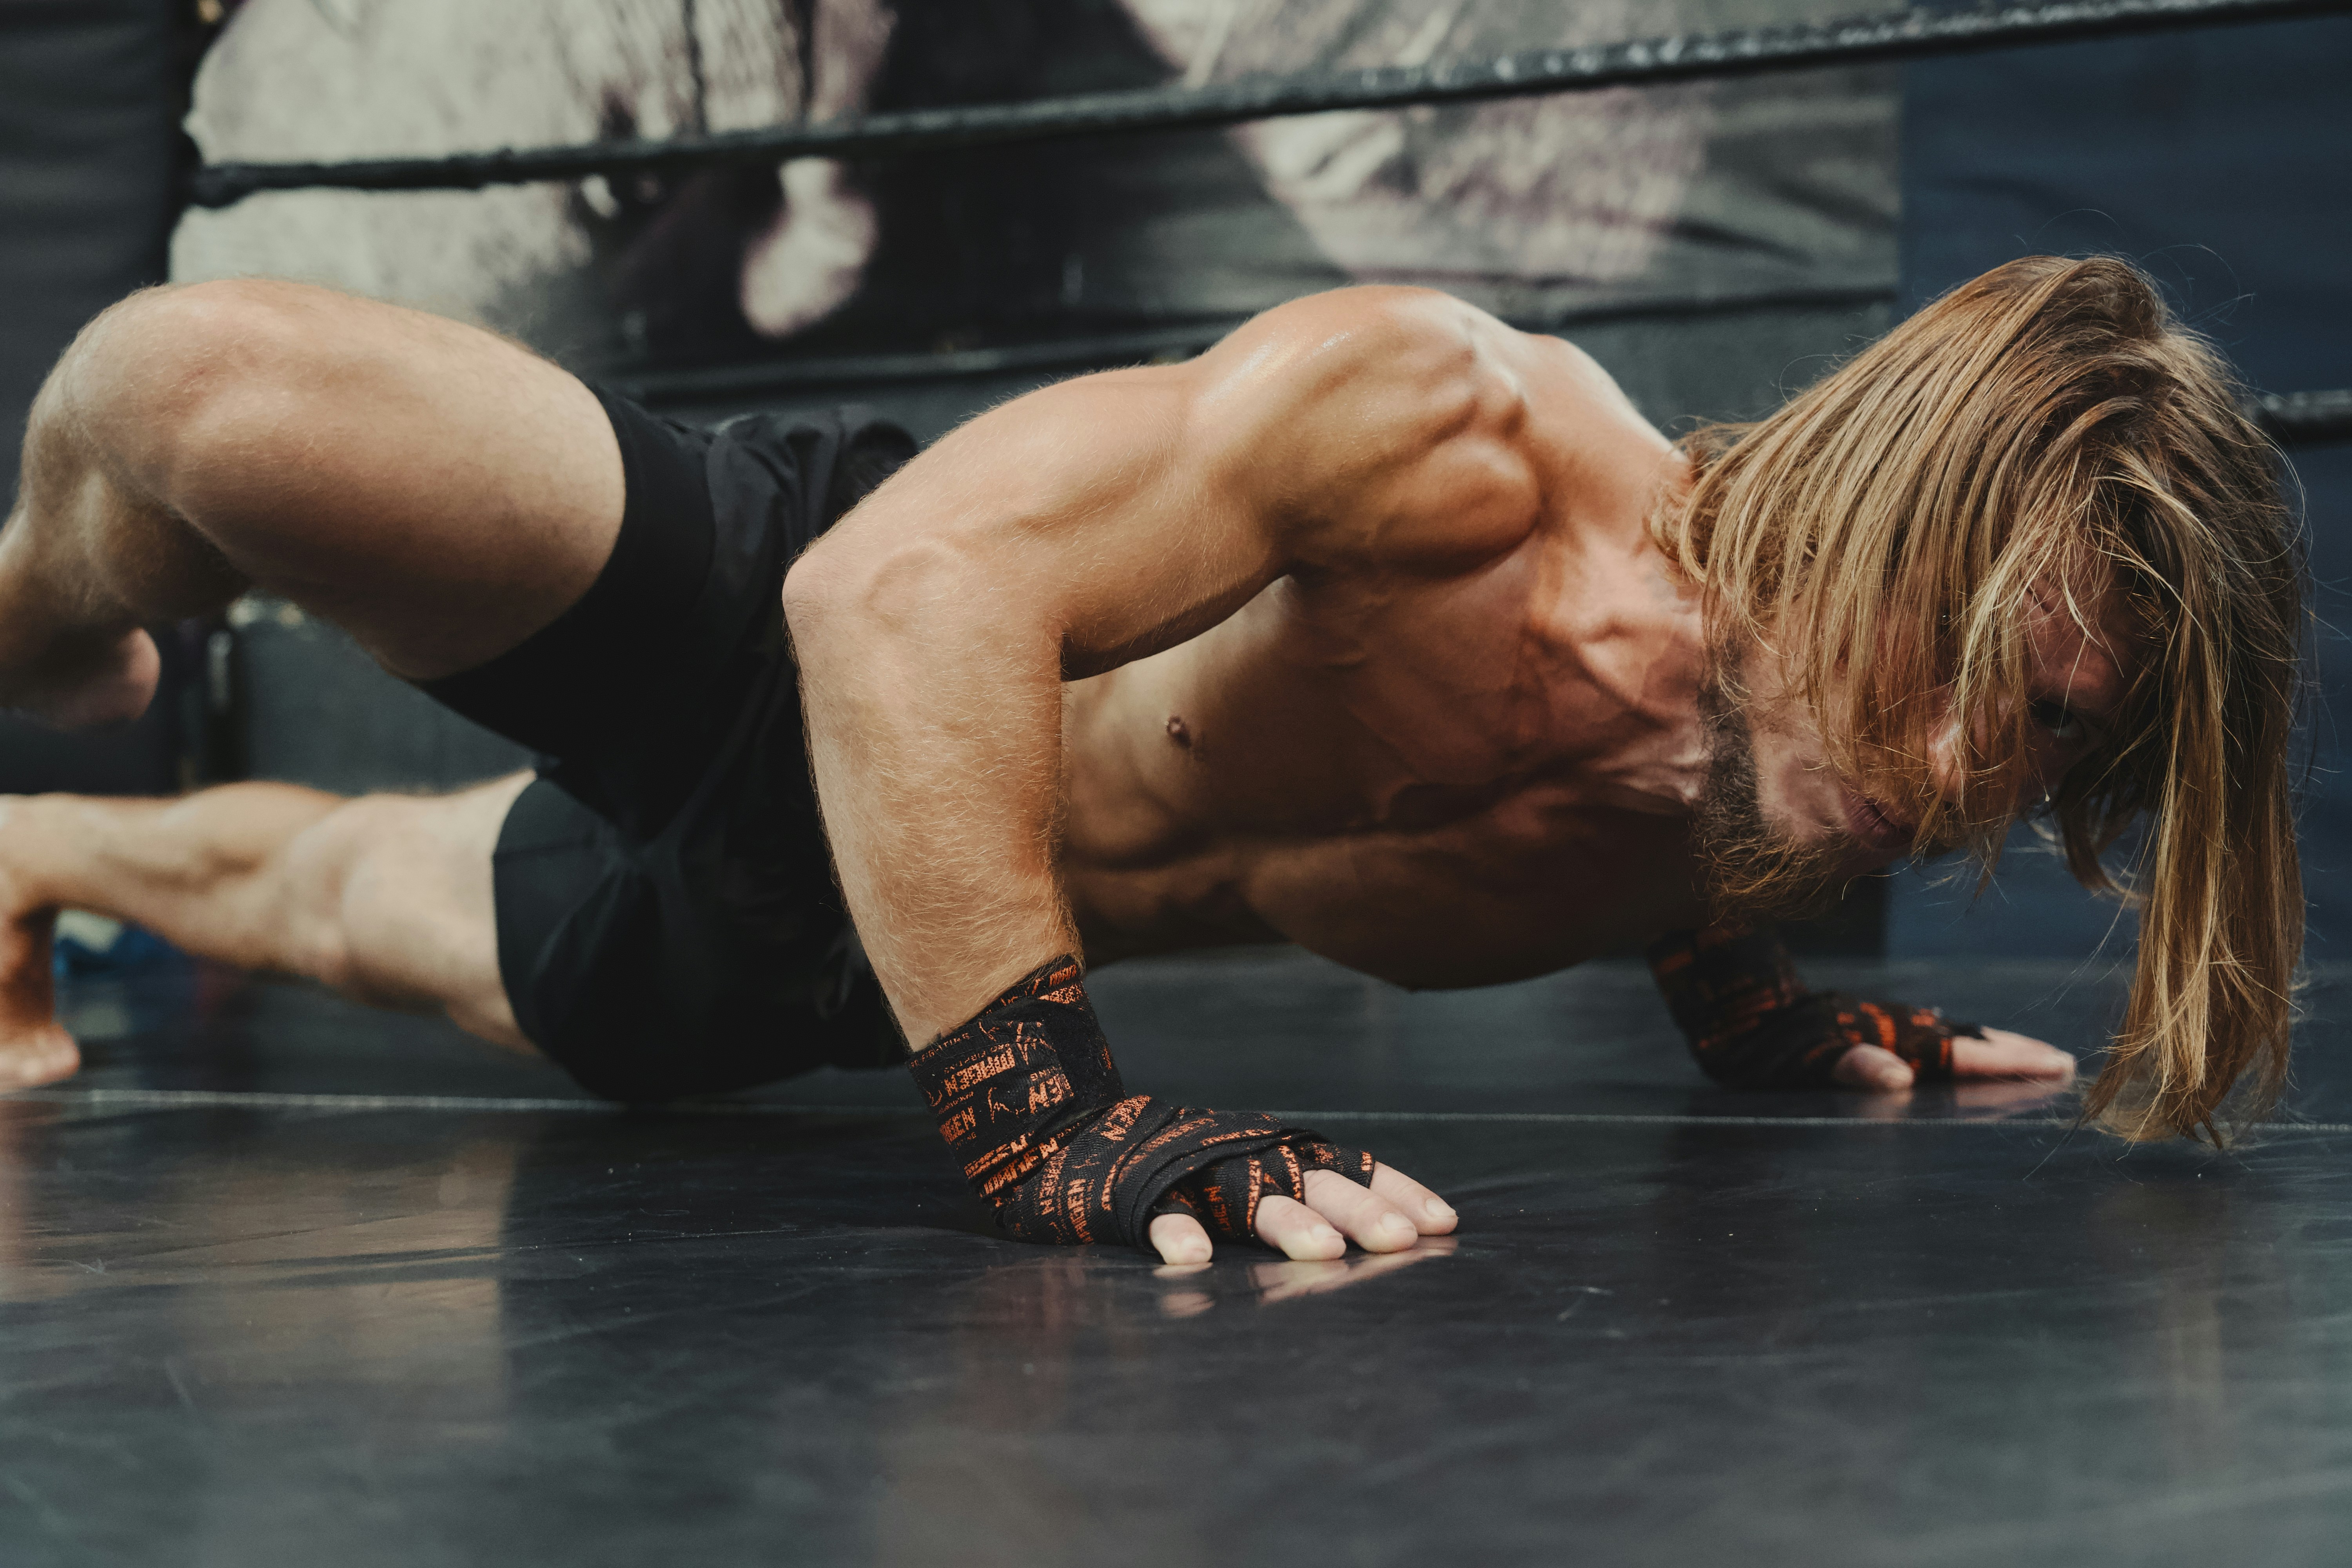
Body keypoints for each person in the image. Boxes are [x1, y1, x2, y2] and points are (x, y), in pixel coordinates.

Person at [0, 255, 2301, 1266]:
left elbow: (1698, 864)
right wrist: (1048, 1111)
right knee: (193, 394)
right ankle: (56, 624)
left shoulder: (1778, 801)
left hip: (825, 957)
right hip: (801, 630)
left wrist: (1784, 1031)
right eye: (1967, 662)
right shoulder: (1461, 434)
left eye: (2048, 739)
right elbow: (896, 607)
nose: (1949, 767)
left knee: (320, 907)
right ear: (1881, 495)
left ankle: (32, 845)